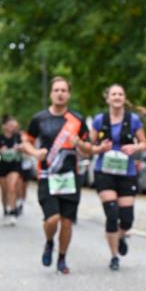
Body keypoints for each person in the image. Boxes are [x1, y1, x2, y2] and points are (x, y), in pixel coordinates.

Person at [22, 77, 93, 275]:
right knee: (52, 219)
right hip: (47, 175)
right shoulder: (39, 119)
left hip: (70, 177)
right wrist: (35, 153)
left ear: (68, 94)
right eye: (56, 90)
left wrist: (79, 143)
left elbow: (89, 150)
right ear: (51, 93)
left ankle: (62, 258)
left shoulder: (77, 120)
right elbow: (26, 141)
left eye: (63, 90)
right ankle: (49, 241)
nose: (60, 93)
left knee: (67, 222)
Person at [90, 84, 146, 271]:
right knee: (112, 213)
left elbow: (144, 143)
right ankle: (114, 256)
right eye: (113, 94)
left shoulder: (133, 120)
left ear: (124, 98)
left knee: (127, 219)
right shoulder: (100, 120)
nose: (117, 97)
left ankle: (122, 235)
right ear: (108, 98)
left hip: (126, 172)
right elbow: (90, 146)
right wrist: (100, 148)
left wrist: (134, 147)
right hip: (104, 172)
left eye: (120, 94)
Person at [0, 115, 26, 226]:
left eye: (13, 125)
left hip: (15, 165)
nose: (12, 127)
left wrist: (21, 148)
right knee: (5, 190)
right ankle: (5, 209)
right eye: (10, 125)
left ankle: (13, 211)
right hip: (2, 166)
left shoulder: (18, 137)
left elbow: (26, 146)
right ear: (4, 126)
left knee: (12, 187)